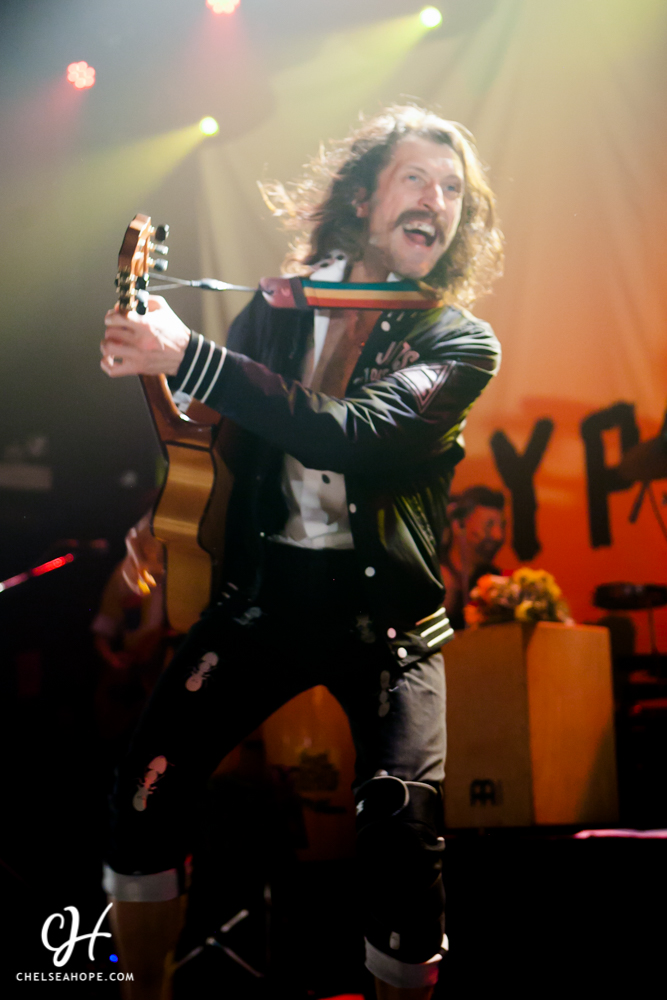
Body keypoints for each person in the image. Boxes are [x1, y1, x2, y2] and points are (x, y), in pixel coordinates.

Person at [100, 104, 503, 1000]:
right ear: (362, 200)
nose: (436, 201)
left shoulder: (458, 341)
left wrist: (187, 353)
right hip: (262, 601)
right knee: (143, 792)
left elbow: (353, 435)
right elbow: (219, 439)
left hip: (387, 624)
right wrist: (157, 515)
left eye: (452, 190)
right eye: (415, 179)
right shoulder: (278, 309)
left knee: (401, 831)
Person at [439, 486, 507, 630]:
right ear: (458, 525)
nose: (498, 535)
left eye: (502, 526)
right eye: (488, 525)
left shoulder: (495, 580)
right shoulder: (436, 578)